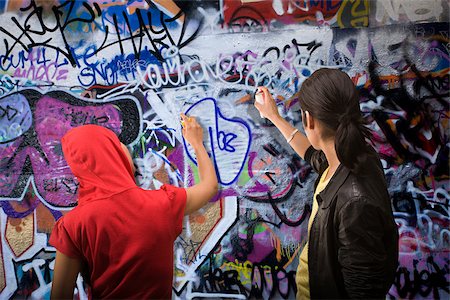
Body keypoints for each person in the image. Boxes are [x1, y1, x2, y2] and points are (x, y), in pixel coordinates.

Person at [254, 68, 399, 299]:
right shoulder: (350, 157)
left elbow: (363, 291)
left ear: (308, 119)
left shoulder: (354, 200)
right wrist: (274, 117)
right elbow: (313, 154)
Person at [50, 114, 218, 299]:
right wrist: (197, 144)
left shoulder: (73, 226)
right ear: (113, 154)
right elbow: (209, 186)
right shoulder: (163, 203)